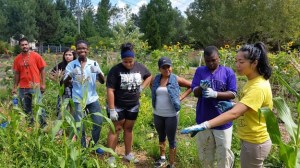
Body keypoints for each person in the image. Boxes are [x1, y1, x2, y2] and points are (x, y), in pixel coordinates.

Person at [181, 42, 273, 168]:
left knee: (224, 156)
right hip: (250, 139)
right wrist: (234, 105)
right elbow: (247, 106)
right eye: (236, 61)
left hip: (254, 140)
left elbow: (235, 113)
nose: (237, 65)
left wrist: (205, 124)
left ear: (254, 63)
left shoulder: (257, 87)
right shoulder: (251, 82)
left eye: (241, 62)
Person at [188, 46, 237, 168]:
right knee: (205, 155)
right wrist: (201, 88)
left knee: (224, 154)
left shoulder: (228, 72)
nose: (210, 63)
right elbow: (194, 91)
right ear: (204, 59)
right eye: (208, 61)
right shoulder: (200, 71)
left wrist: (215, 94)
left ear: (218, 58)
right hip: (203, 119)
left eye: (213, 60)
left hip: (223, 121)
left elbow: (233, 93)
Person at [106, 42, 152, 166]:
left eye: (130, 61)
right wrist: (111, 109)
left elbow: (149, 76)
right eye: (125, 61)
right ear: (122, 59)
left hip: (133, 105)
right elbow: (110, 90)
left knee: (128, 129)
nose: (128, 64)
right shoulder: (115, 70)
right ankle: (111, 156)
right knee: (115, 129)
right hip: (117, 105)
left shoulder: (140, 67)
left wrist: (142, 87)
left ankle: (128, 154)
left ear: (133, 59)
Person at [63, 40, 105, 154]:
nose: (82, 50)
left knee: (98, 122)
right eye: (79, 48)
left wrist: (98, 73)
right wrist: (71, 74)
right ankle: (82, 147)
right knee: (79, 125)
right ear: (76, 50)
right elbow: (65, 83)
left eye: (84, 48)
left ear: (88, 49)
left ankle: (94, 145)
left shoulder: (94, 63)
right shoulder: (71, 65)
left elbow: (102, 81)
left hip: (92, 98)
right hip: (77, 99)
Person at [151, 57, 192, 168]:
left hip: (171, 115)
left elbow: (191, 86)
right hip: (158, 114)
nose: (166, 69)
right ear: (159, 69)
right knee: (161, 137)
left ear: (171, 67)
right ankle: (162, 159)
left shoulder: (176, 79)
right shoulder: (155, 79)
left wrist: (181, 97)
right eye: (163, 67)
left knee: (172, 139)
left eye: (168, 67)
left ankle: (172, 163)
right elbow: (152, 90)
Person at [12, 37, 47, 127]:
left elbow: (42, 69)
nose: (24, 46)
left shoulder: (36, 56)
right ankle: (30, 126)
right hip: (23, 88)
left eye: (26, 44)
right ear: (20, 46)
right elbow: (16, 74)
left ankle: (43, 126)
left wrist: (43, 83)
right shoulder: (17, 59)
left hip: (35, 86)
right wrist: (15, 87)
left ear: (29, 45)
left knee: (40, 107)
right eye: (22, 45)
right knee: (26, 108)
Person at [50, 48, 76, 119]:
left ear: (73, 56)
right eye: (66, 55)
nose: (67, 56)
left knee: (73, 109)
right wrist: (57, 79)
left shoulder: (76, 64)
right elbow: (51, 74)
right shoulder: (61, 65)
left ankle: (71, 126)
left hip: (75, 90)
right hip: (64, 90)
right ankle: (60, 126)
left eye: (70, 55)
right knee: (62, 109)